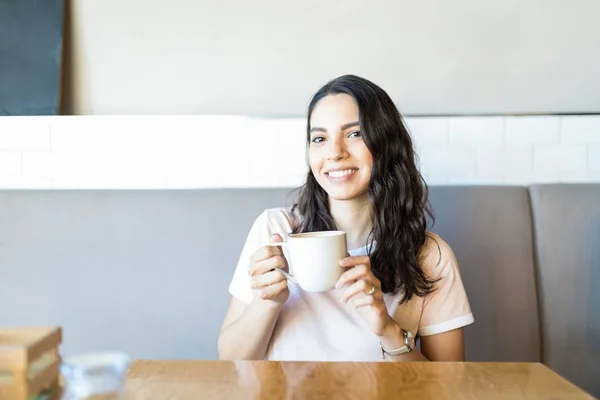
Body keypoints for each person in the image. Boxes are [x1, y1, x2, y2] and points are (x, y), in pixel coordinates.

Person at [218, 74, 474, 362]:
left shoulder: (430, 256)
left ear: (386, 144)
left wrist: (387, 329)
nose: (335, 153)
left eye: (354, 134)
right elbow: (230, 361)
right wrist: (267, 303)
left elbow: (449, 386)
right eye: (319, 138)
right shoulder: (275, 230)